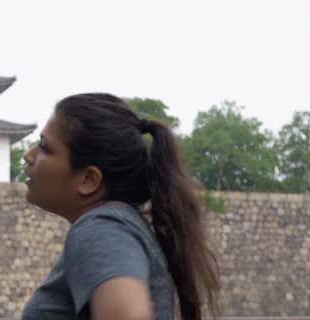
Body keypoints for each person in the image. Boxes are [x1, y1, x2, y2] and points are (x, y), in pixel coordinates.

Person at [20, 93, 219, 320]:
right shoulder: (120, 224)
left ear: (88, 180)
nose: (29, 155)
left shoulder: (101, 228)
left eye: (45, 147)